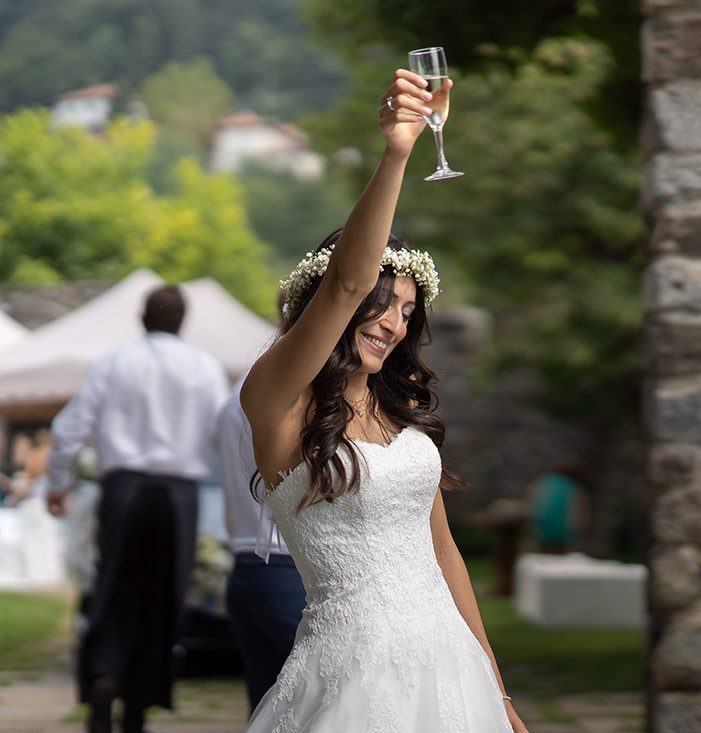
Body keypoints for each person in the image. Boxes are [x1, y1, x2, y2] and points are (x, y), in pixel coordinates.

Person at [241, 69, 527, 732]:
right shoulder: (278, 400)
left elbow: (445, 554)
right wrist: (399, 150)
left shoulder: (401, 414)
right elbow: (344, 284)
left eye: (406, 310)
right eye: (381, 301)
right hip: (355, 682)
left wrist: (500, 694)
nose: (393, 323)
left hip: (453, 677)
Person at [46, 284, 229, 733]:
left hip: (124, 490)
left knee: (112, 589)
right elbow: (227, 436)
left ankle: (105, 675)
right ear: (182, 321)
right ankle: (139, 703)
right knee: (163, 597)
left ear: (141, 317)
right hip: (179, 495)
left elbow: (70, 426)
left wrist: (58, 484)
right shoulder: (205, 368)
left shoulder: (114, 361)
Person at [217, 371, 307, 713]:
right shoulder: (292, 389)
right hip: (288, 566)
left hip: (247, 569)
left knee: (269, 713)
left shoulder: (237, 390)